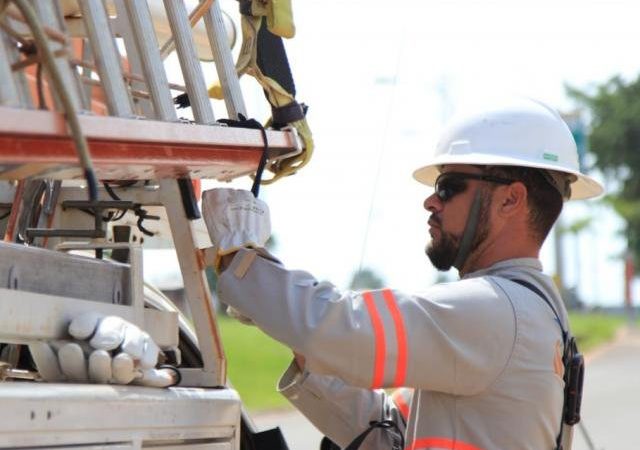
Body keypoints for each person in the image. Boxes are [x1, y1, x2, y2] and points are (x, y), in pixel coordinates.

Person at [202, 97, 604, 450]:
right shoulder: (529, 312)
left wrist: (242, 258)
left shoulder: (495, 310)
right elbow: (391, 435)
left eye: (449, 186)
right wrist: (305, 343)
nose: (431, 200)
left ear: (511, 199)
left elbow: (345, 326)